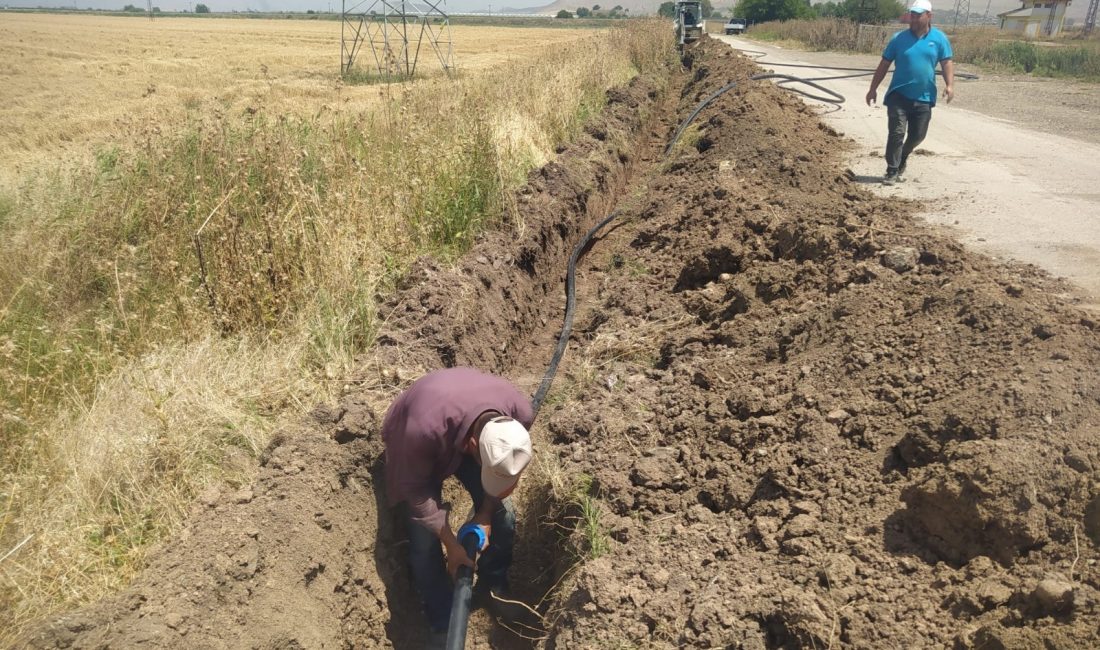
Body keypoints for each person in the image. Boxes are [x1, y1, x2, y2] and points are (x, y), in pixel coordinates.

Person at [381, 367, 534, 644]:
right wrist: (451, 545)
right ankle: (441, 618)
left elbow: (500, 477)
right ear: (473, 446)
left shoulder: (519, 416)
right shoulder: (420, 432)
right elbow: (415, 494)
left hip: (462, 426)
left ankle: (493, 587)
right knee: (424, 542)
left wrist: (486, 514)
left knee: (503, 516)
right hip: (419, 435)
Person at [865, 0, 955, 185]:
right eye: (912, 15)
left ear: (929, 16)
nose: (913, 19)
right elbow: (884, 64)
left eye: (918, 15)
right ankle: (891, 170)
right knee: (896, 133)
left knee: (918, 135)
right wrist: (872, 89)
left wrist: (949, 85)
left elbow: (946, 62)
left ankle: (903, 156)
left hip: (924, 97)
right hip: (898, 95)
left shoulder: (939, 39)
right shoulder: (898, 39)